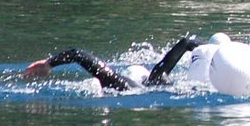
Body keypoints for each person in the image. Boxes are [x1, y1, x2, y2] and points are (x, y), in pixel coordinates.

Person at [22, 35, 201, 91]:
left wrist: (48, 63)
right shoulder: (160, 78)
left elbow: (77, 54)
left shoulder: (125, 85)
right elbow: (186, 43)